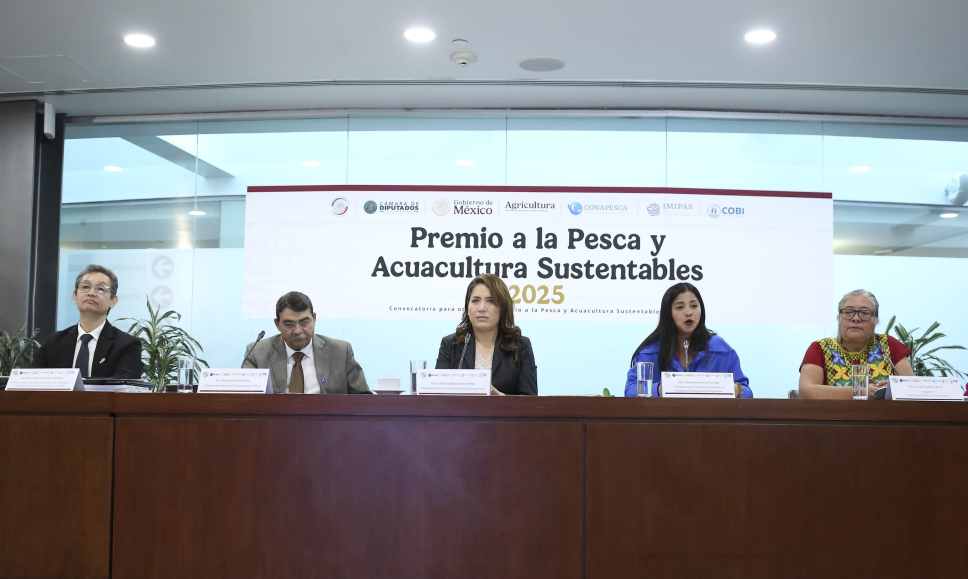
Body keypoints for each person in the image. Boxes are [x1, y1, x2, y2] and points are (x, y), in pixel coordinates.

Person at [625, 283, 751, 398]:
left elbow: (747, 393)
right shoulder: (650, 352)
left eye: (694, 306)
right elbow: (630, 390)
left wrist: (736, 390)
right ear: (668, 313)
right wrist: (659, 389)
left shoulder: (721, 349)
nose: (689, 312)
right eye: (680, 307)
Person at [243, 291, 371, 394]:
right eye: (289, 324)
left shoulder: (341, 352)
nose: (298, 331)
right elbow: (243, 400)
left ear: (314, 319)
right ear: (277, 324)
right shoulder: (257, 353)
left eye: (304, 322)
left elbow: (364, 400)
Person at [32, 264, 143, 379]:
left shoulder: (126, 345)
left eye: (100, 289)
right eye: (85, 287)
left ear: (113, 301)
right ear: (75, 296)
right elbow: (33, 380)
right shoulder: (54, 342)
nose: (91, 293)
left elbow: (123, 383)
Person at [799, 289, 913, 399]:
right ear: (839, 318)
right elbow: (807, 391)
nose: (856, 318)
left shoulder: (888, 345)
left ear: (876, 320)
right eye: (848, 312)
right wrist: (860, 392)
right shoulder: (819, 349)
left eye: (864, 313)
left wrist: (893, 389)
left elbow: (913, 389)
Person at [435, 274, 537, 395]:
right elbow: (438, 395)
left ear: (503, 307)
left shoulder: (520, 346)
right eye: (475, 301)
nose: (482, 308)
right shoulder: (451, 344)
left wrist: (501, 398)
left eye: (490, 301)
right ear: (467, 307)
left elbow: (530, 399)